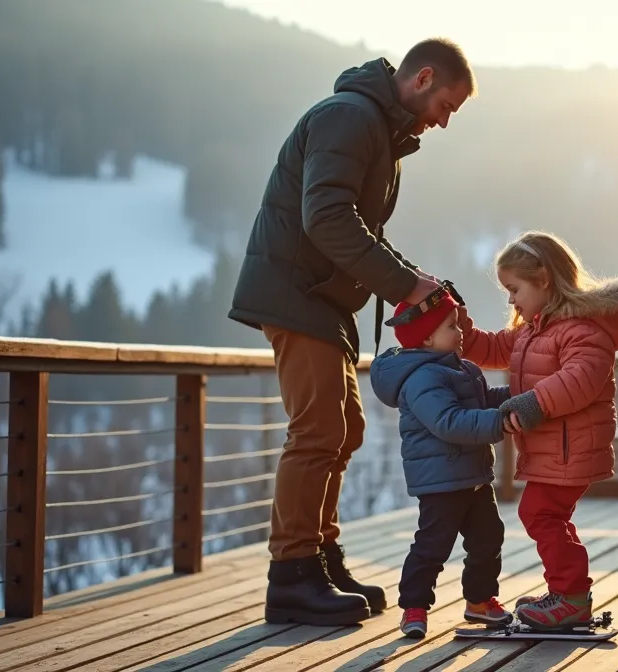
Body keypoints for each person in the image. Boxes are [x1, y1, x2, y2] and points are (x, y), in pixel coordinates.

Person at [228, 38, 477, 626]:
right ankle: (291, 575)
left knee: (344, 430)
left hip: (322, 301)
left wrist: (414, 279)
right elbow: (328, 219)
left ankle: (321, 558)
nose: (443, 121)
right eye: (446, 105)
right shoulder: (350, 117)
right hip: (298, 296)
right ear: (422, 79)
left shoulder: (377, 134)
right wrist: (403, 285)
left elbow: (357, 227)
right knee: (317, 431)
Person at [460, 231, 618, 630]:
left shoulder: (582, 328)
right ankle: (566, 593)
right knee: (547, 515)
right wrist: (456, 322)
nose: (510, 300)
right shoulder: (535, 329)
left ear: (544, 280)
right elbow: (494, 348)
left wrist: (531, 403)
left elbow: (580, 378)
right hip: (555, 448)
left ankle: (570, 599)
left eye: (514, 289)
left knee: (539, 512)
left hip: (570, 449)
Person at [369, 289, 517, 639]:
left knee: (488, 537)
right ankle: (414, 607)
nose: (461, 330)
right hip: (441, 480)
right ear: (427, 337)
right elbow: (449, 422)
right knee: (433, 545)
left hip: (472, 476)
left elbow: (481, 401)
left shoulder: (462, 368)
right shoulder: (422, 379)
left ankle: (479, 600)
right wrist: (500, 422)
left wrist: (515, 395)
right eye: (452, 325)